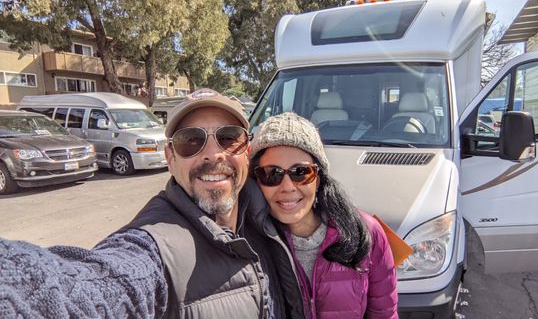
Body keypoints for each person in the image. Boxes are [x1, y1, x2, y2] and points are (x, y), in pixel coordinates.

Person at [0, 89, 303, 318]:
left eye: (229, 138)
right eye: (191, 141)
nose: (214, 154)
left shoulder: (269, 208)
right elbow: (96, 286)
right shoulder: (154, 245)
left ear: (246, 151)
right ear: (170, 158)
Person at [250, 112, 399, 319]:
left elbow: (384, 314)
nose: (287, 187)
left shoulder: (366, 232)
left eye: (300, 172)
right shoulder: (249, 243)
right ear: (256, 180)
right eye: (271, 174)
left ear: (318, 179)